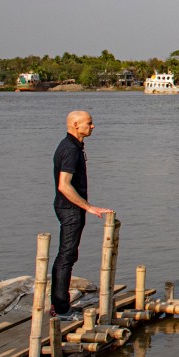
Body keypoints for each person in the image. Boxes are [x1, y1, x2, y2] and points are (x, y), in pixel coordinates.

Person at [52, 110, 112, 321]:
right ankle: (61, 309)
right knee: (66, 256)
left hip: (70, 208)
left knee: (68, 255)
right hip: (70, 209)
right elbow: (64, 186)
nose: (93, 126)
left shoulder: (73, 146)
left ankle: (59, 303)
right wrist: (89, 207)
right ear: (76, 125)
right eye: (89, 122)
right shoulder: (70, 149)